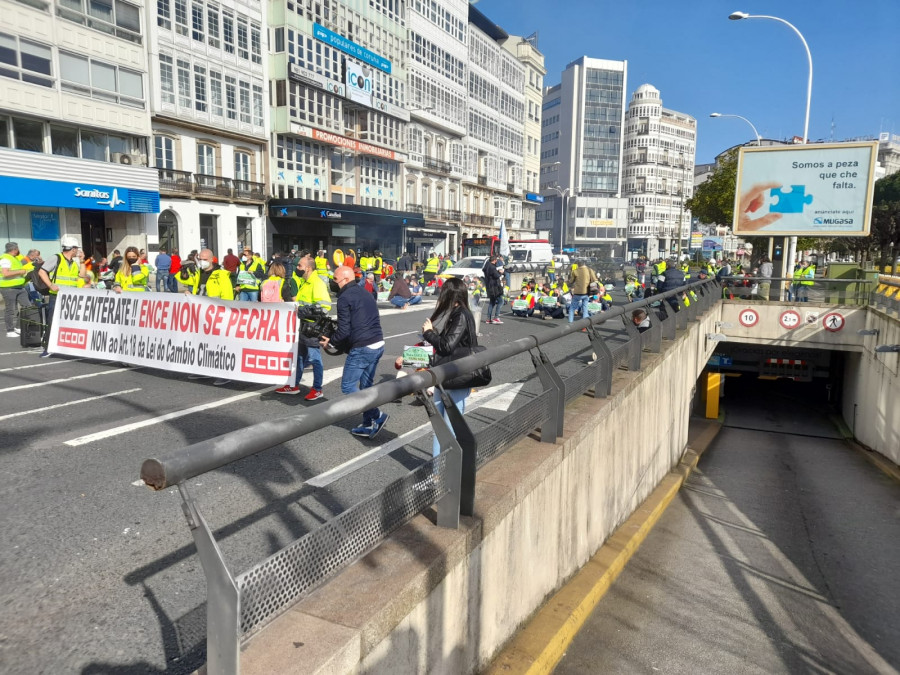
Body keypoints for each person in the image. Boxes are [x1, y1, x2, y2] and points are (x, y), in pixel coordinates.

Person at [319, 266, 388, 438]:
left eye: (334, 279)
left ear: (345, 279)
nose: (332, 283)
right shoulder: (365, 292)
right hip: (378, 343)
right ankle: (367, 424)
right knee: (366, 387)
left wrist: (331, 342)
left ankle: (376, 416)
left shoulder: (344, 298)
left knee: (348, 386)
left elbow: (343, 331)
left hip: (363, 347)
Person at [422, 277, 476, 458]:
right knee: (442, 427)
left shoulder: (460, 315)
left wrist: (429, 333)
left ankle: (443, 473)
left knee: (447, 428)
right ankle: (439, 472)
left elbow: (447, 346)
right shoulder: (460, 313)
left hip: (456, 375)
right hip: (449, 374)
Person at [276, 255, 332, 399]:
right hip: (302, 325)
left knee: (314, 359)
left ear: (308, 268)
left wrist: (300, 311)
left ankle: (317, 389)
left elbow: (325, 307)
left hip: (313, 327)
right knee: (299, 357)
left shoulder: (316, 283)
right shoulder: (304, 282)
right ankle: (294, 385)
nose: (297, 268)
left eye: (299, 265)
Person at [38, 235, 81, 356]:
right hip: (57, 296)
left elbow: (80, 276)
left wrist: (82, 260)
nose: (77, 251)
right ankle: (47, 348)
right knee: (52, 321)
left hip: (70, 297)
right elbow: (42, 271)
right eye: (76, 248)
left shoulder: (73, 263)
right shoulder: (56, 258)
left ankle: (66, 346)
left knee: (69, 322)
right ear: (72, 249)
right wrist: (50, 285)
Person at [1, 242, 33, 337]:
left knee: (27, 306)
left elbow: (22, 264)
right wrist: (21, 271)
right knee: (10, 309)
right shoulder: (5, 259)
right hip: (8, 288)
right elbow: (5, 273)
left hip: (20, 287)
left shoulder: (15, 258)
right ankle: (10, 330)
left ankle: (18, 327)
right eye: (18, 248)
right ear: (14, 249)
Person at [482, 255, 504, 324]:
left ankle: (488, 318)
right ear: (494, 260)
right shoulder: (492, 267)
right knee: (501, 301)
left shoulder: (486, 266)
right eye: (496, 260)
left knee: (492, 302)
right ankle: (496, 317)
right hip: (495, 287)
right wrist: (500, 272)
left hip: (489, 287)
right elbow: (496, 275)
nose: (497, 261)